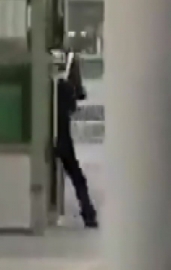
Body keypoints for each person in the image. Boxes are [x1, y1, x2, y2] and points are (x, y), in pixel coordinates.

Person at [56, 50, 98, 228]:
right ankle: (88, 214)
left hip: (53, 136)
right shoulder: (65, 88)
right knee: (78, 178)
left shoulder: (52, 86)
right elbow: (75, 103)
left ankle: (88, 213)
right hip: (63, 139)